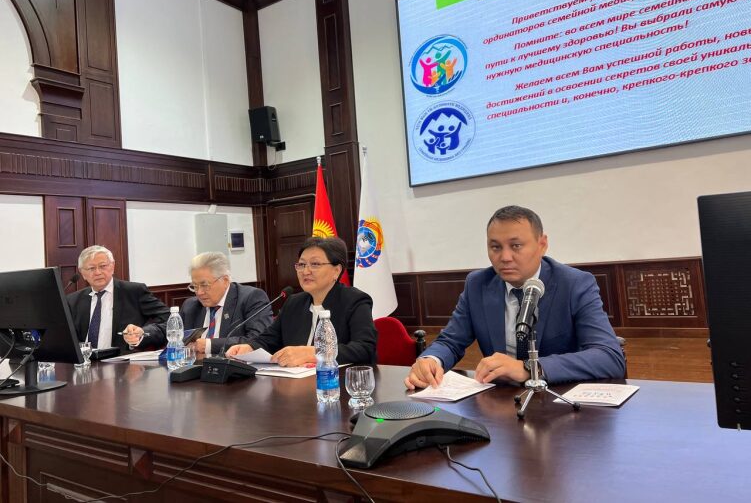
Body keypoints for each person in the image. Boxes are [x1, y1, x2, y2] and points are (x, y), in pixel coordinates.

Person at [405, 206, 625, 389]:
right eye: (495, 247)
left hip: (559, 401)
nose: (505, 257)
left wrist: (530, 368)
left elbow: (609, 357)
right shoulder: (478, 284)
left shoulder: (574, 284)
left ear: (542, 244)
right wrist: (430, 360)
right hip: (499, 404)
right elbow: (451, 341)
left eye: (516, 246)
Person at [226, 237, 377, 366]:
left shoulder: (354, 301)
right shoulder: (294, 303)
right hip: (294, 384)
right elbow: (269, 340)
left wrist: (314, 353)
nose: (305, 271)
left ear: (336, 270)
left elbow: (364, 348)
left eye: (315, 264)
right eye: (302, 264)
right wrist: (249, 348)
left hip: (336, 383)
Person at [151, 252, 274, 355]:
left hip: (235, 370)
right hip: (195, 369)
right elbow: (169, 331)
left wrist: (209, 345)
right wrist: (143, 334)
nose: (199, 292)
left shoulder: (251, 298)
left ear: (225, 280)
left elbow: (259, 339)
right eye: (195, 286)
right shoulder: (191, 305)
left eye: (205, 285)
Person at [66, 245, 169, 354]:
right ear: (82, 273)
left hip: (121, 361)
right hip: (85, 360)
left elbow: (170, 320)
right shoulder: (73, 300)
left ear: (113, 266)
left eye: (103, 266)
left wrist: (143, 333)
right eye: (91, 268)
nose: (97, 272)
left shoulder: (134, 292)